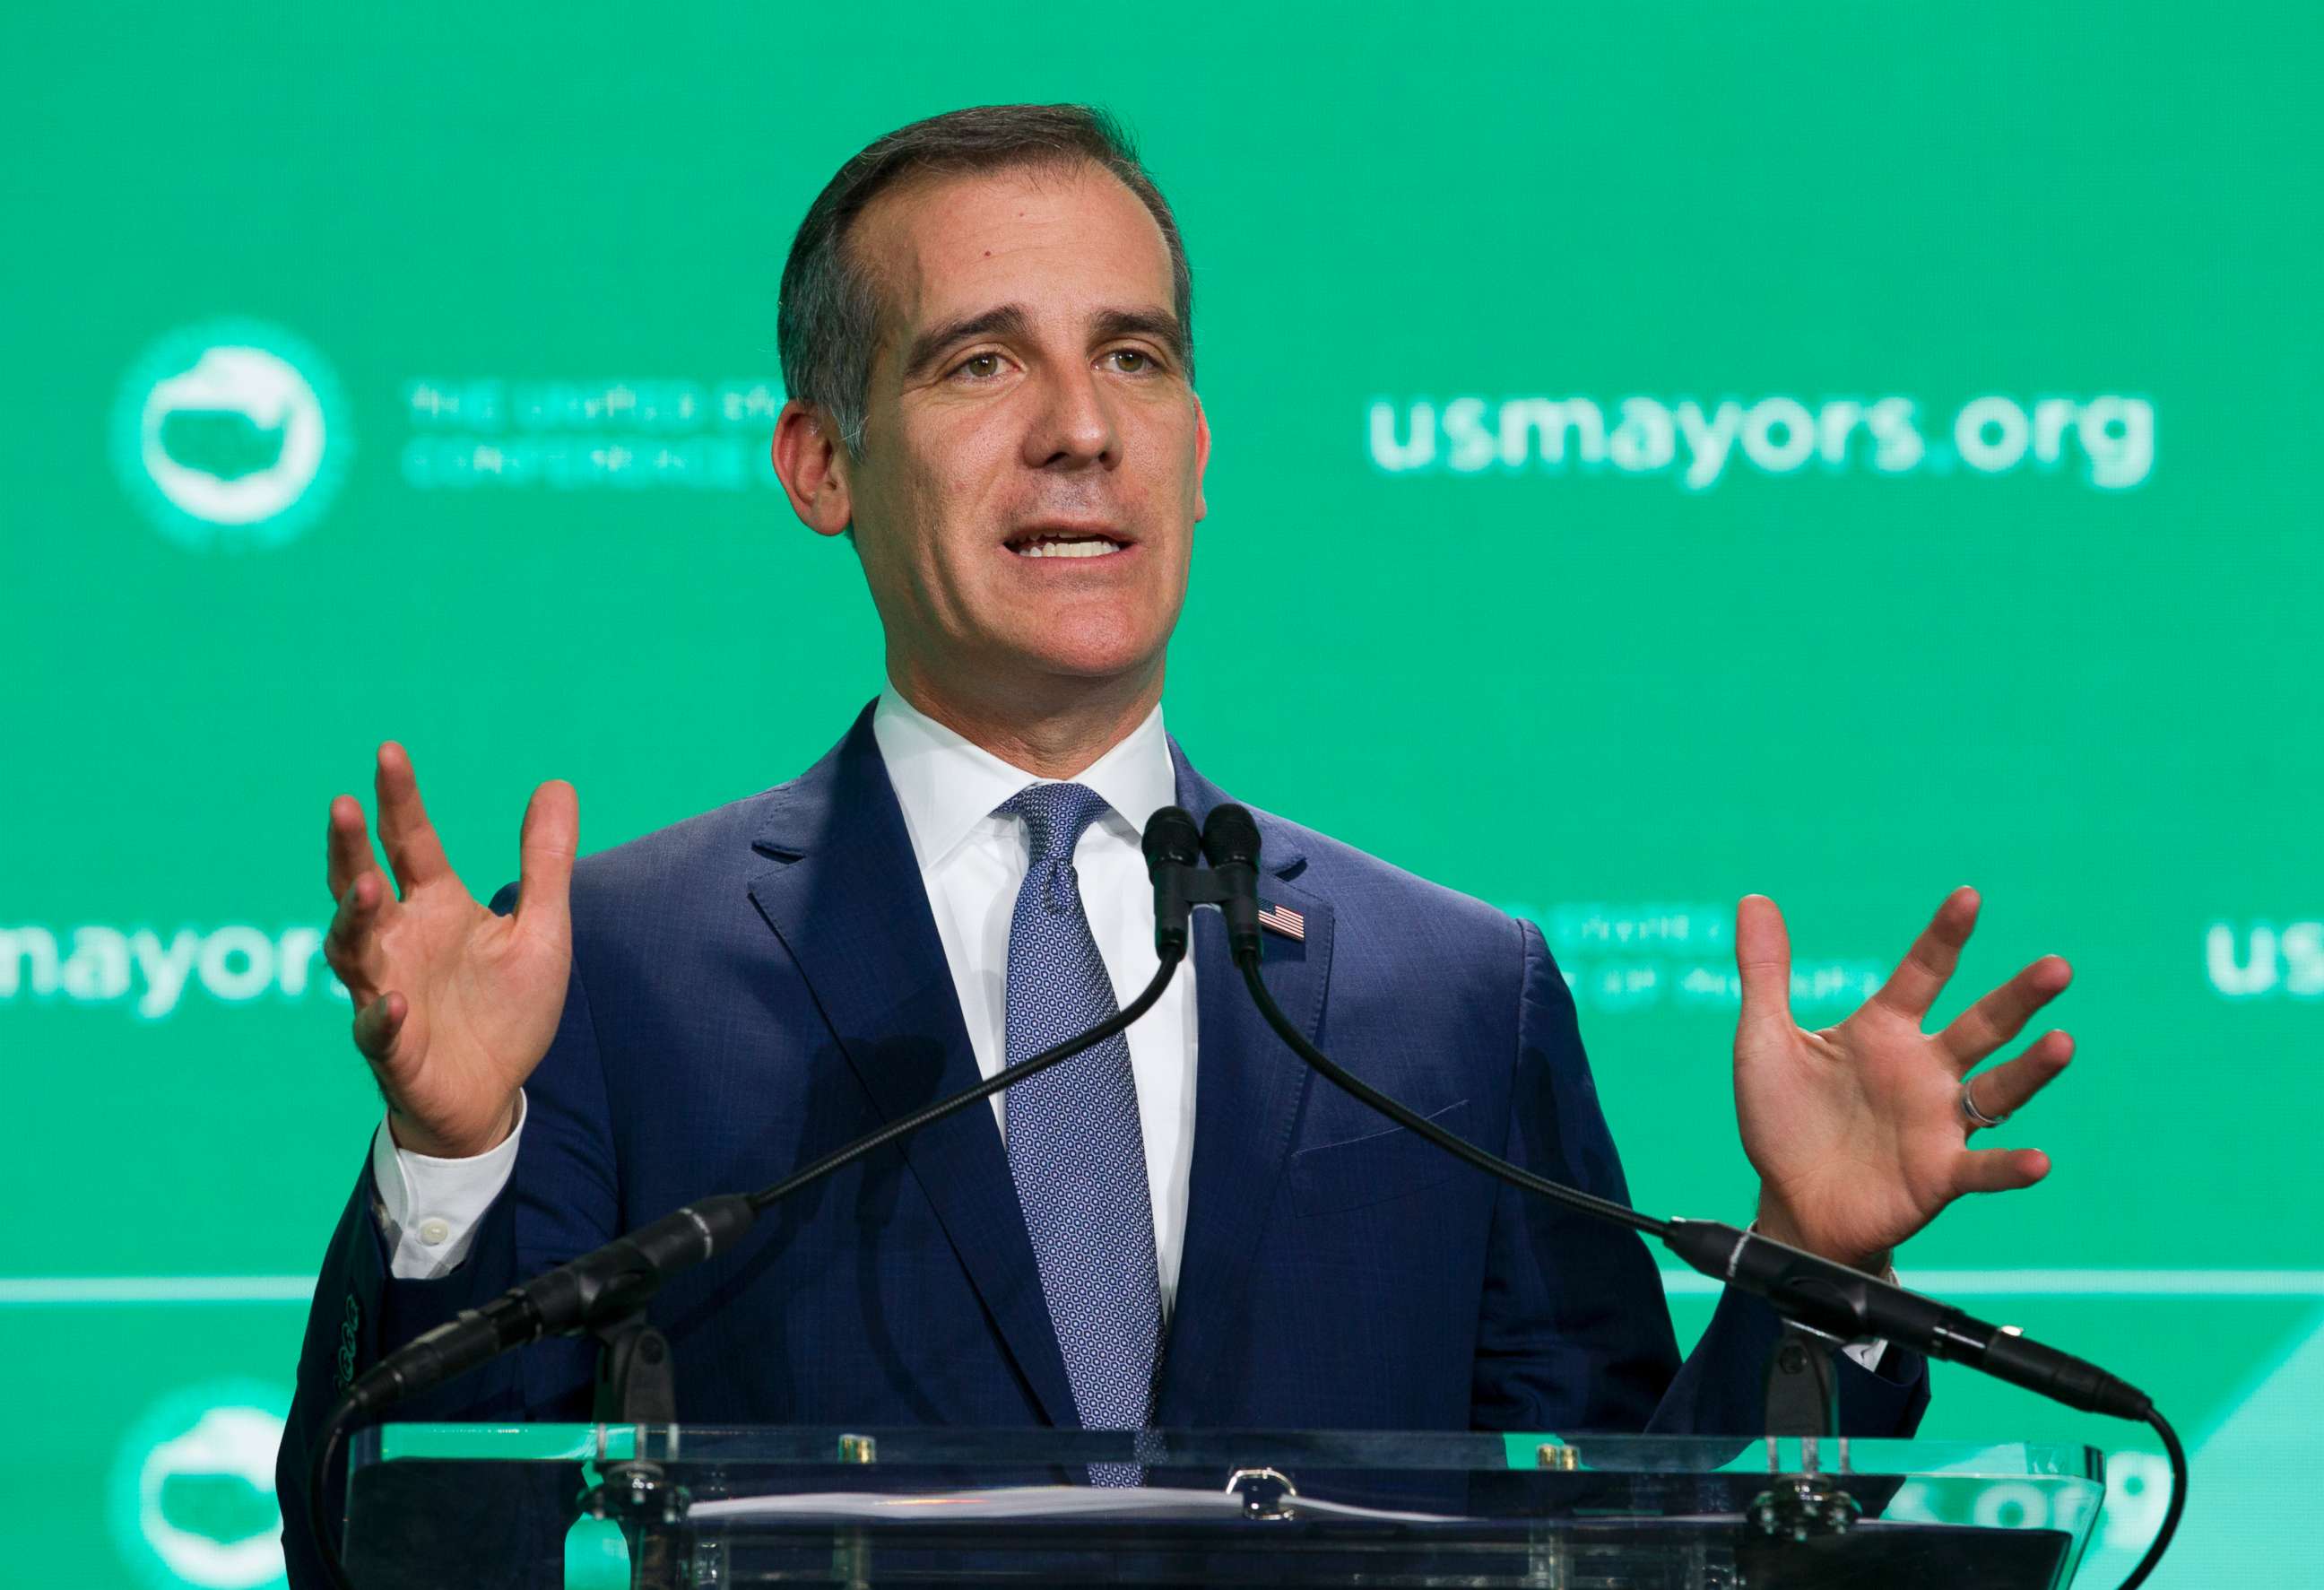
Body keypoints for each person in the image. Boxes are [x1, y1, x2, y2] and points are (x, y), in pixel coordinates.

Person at [275, 104, 2076, 1584]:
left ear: (1198, 446)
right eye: (982, 362)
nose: (1078, 428)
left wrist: (1812, 1272)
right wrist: (451, 1163)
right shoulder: (615, 972)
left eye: (1132, 357)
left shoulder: (1455, 993)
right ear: (822, 464)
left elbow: (1627, 1550)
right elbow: (406, 1557)